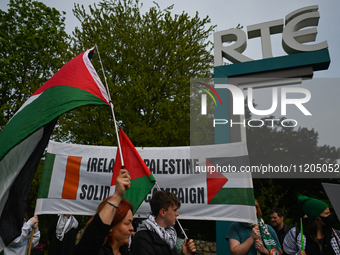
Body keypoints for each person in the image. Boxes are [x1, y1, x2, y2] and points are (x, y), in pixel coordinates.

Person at [73, 168, 133, 255]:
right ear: (110, 226)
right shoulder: (92, 250)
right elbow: (96, 232)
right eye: (128, 223)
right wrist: (117, 195)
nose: (132, 228)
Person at [130, 190, 196, 255]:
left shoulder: (169, 237)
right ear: (163, 212)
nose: (177, 214)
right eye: (175, 210)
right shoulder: (142, 239)